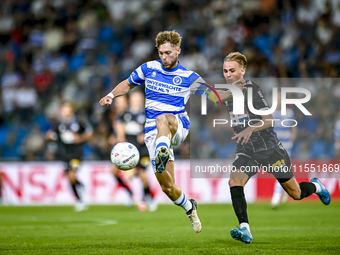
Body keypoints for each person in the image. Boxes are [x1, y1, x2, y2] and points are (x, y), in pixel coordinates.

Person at [209, 52, 331, 244]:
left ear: (243, 71)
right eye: (225, 71)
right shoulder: (232, 91)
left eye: (232, 70)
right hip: (247, 150)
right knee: (235, 182)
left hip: (270, 149)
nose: (228, 75)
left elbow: (269, 120)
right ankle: (245, 229)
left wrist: (250, 128)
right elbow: (215, 98)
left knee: (295, 193)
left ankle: (316, 186)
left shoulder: (252, 90)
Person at [99, 31, 204, 233]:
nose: (164, 57)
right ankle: (189, 207)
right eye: (161, 53)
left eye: (168, 53)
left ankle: (162, 147)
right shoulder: (149, 68)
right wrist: (111, 94)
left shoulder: (189, 77)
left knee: (162, 118)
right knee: (168, 188)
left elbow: (214, 95)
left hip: (177, 125)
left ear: (178, 51)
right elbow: (128, 84)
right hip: (152, 134)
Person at [114, 89, 157, 211]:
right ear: (130, 101)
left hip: (144, 150)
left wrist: (146, 134)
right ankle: (140, 199)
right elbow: (120, 129)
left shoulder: (147, 114)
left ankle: (149, 198)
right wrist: (120, 140)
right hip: (130, 152)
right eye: (134, 99)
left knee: (143, 175)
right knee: (130, 174)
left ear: (142, 100)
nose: (136, 102)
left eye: (138, 100)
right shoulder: (124, 115)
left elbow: (156, 129)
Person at [46, 102, 93, 212]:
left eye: (67, 109)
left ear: (72, 110)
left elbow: (90, 134)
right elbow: (53, 135)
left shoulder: (79, 122)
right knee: (69, 178)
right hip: (64, 154)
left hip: (76, 154)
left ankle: (80, 197)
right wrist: (50, 137)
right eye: (63, 109)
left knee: (72, 175)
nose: (64, 111)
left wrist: (80, 138)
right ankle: (79, 197)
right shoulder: (58, 124)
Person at [271, 91, 297, 208]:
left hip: (286, 146)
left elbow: (293, 128)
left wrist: (292, 141)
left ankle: (276, 197)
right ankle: (287, 190)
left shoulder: (289, 113)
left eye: (279, 99)